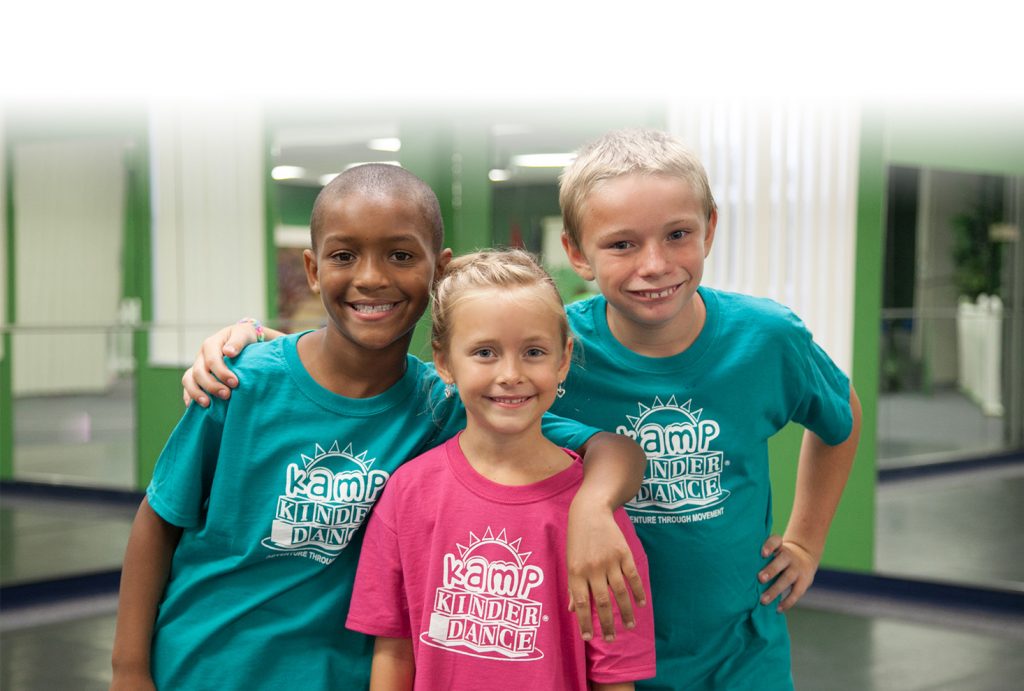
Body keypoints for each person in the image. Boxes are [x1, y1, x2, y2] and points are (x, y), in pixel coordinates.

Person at [184, 128, 862, 690]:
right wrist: (269, 348)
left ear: (710, 229)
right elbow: (462, 372)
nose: (654, 264)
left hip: (736, 654)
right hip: (587, 651)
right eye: (622, 243)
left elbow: (840, 414)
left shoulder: (766, 339)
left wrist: (806, 540)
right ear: (577, 253)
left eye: (677, 234)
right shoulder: (547, 345)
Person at [111, 164, 646, 690]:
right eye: (344, 256)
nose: (371, 277)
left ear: (438, 271)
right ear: (314, 269)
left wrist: (593, 505)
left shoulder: (447, 403)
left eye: (401, 255)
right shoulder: (239, 381)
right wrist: (128, 670)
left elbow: (612, 450)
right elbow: (159, 520)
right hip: (203, 668)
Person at [346, 249, 656, 690]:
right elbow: (394, 652)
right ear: (444, 362)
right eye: (485, 352)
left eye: (533, 351)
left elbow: (615, 677)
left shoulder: (596, 517)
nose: (511, 374)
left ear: (563, 359)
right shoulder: (407, 492)